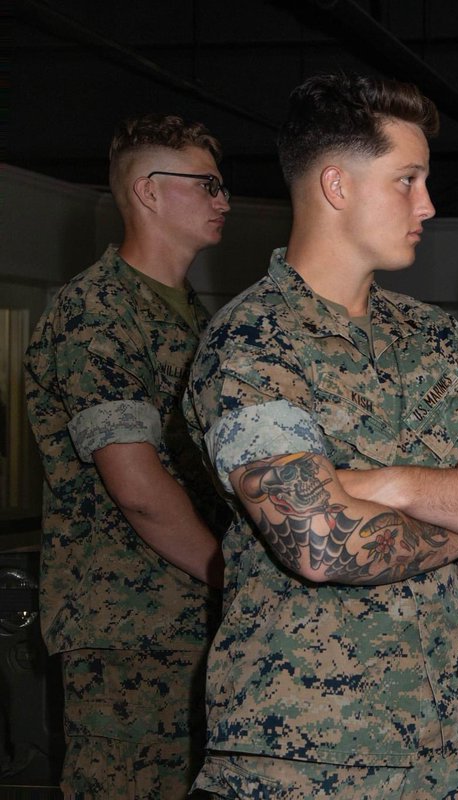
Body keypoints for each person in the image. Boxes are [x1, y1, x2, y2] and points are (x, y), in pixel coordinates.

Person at [183, 74, 458, 797]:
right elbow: (321, 543)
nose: (429, 205)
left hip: (448, 740)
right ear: (336, 186)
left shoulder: (435, 336)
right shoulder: (253, 342)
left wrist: (396, 487)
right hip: (308, 752)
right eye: (406, 181)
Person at [24, 112, 229, 797]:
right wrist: (228, 573)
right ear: (148, 192)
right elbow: (136, 484)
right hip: (130, 631)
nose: (222, 199)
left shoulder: (188, 314)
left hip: (187, 618)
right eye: (206, 184)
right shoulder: (96, 313)